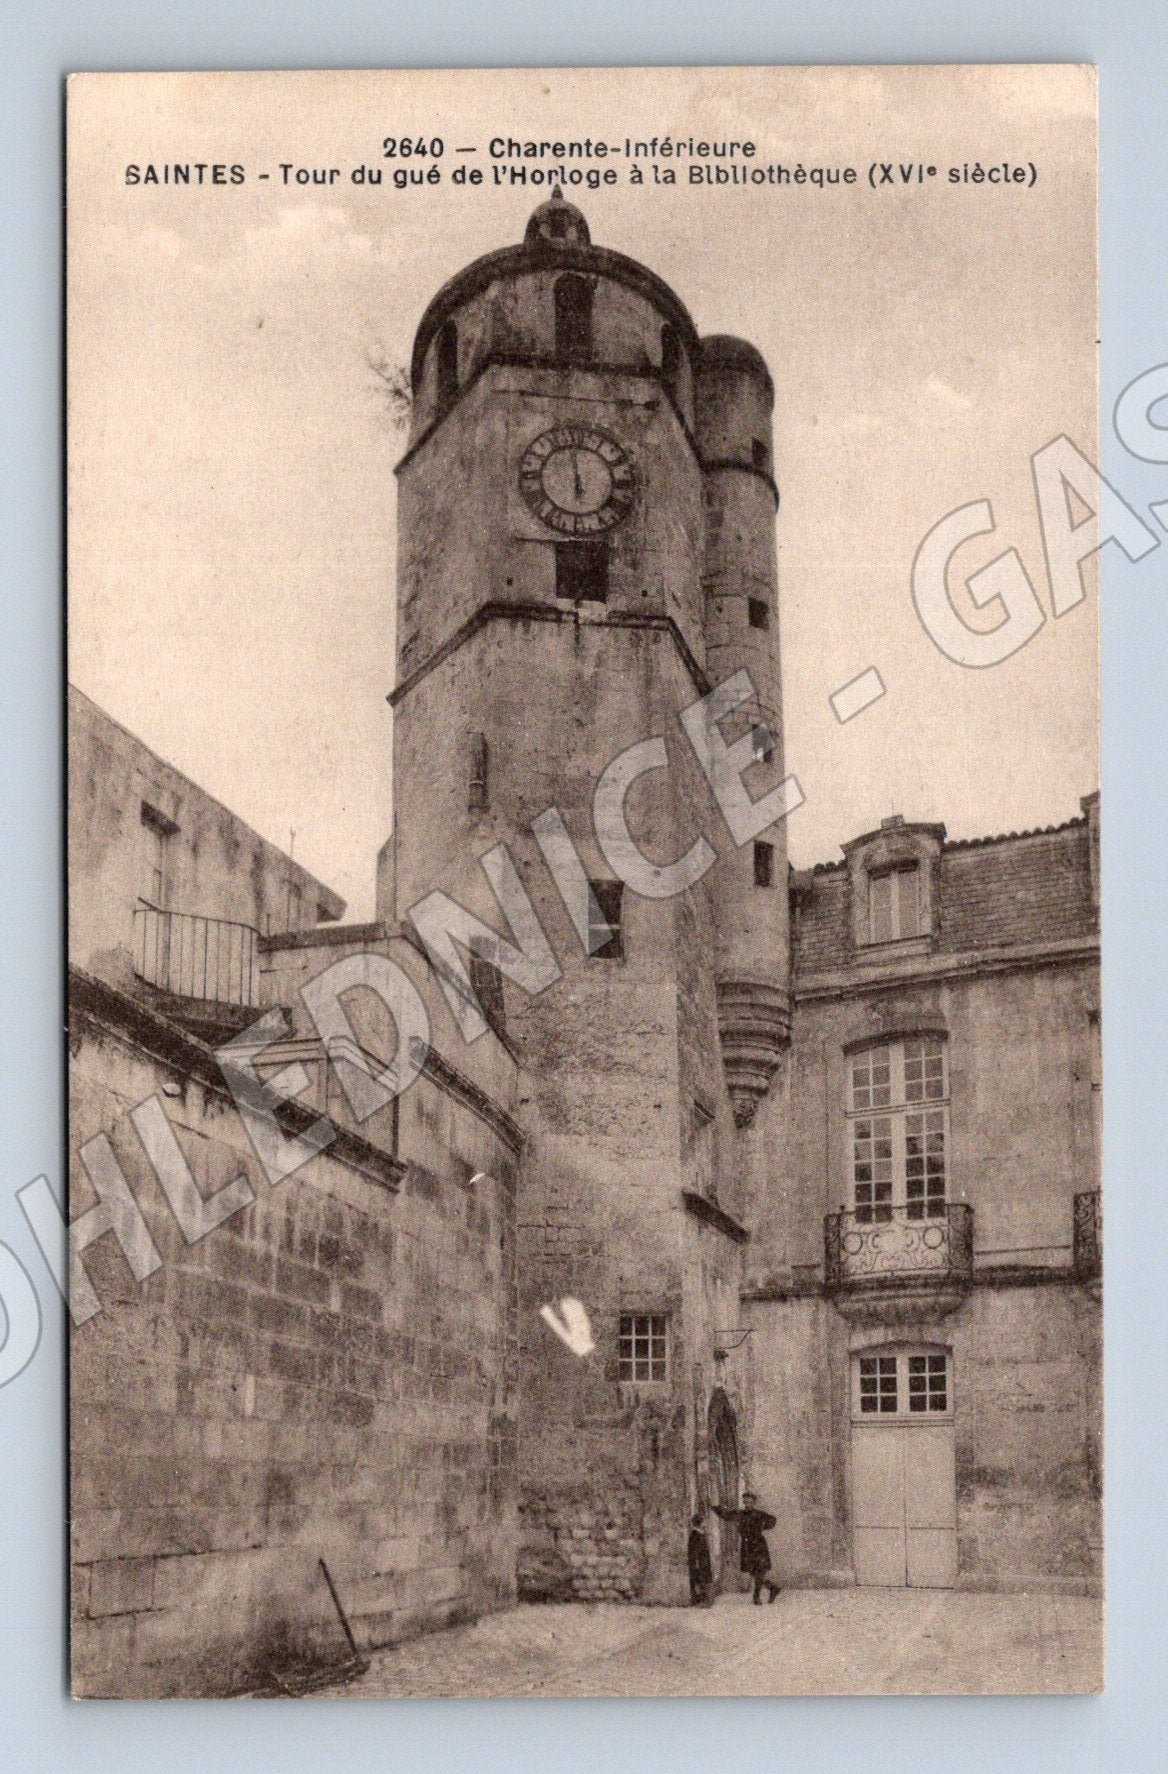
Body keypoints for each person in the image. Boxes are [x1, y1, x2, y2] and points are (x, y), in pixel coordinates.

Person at [712, 1488, 779, 1604]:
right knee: (753, 1572)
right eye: (745, 1501)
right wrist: (714, 1507)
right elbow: (727, 1515)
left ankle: (756, 1597)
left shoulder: (759, 1514)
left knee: (759, 1571)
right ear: (743, 1502)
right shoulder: (740, 1514)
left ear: (753, 1502)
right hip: (747, 1546)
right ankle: (773, 1588)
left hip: (758, 1544)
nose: (747, 1504)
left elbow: (772, 1520)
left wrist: (763, 1527)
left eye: (750, 1502)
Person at [687, 1512, 714, 1606]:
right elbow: (694, 1551)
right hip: (699, 1561)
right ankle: (701, 1600)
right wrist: (697, 1563)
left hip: (704, 1561)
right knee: (700, 1580)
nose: (705, 1524)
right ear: (699, 1523)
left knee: (705, 1579)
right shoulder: (695, 1535)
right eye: (704, 1522)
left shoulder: (701, 1534)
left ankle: (705, 1600)